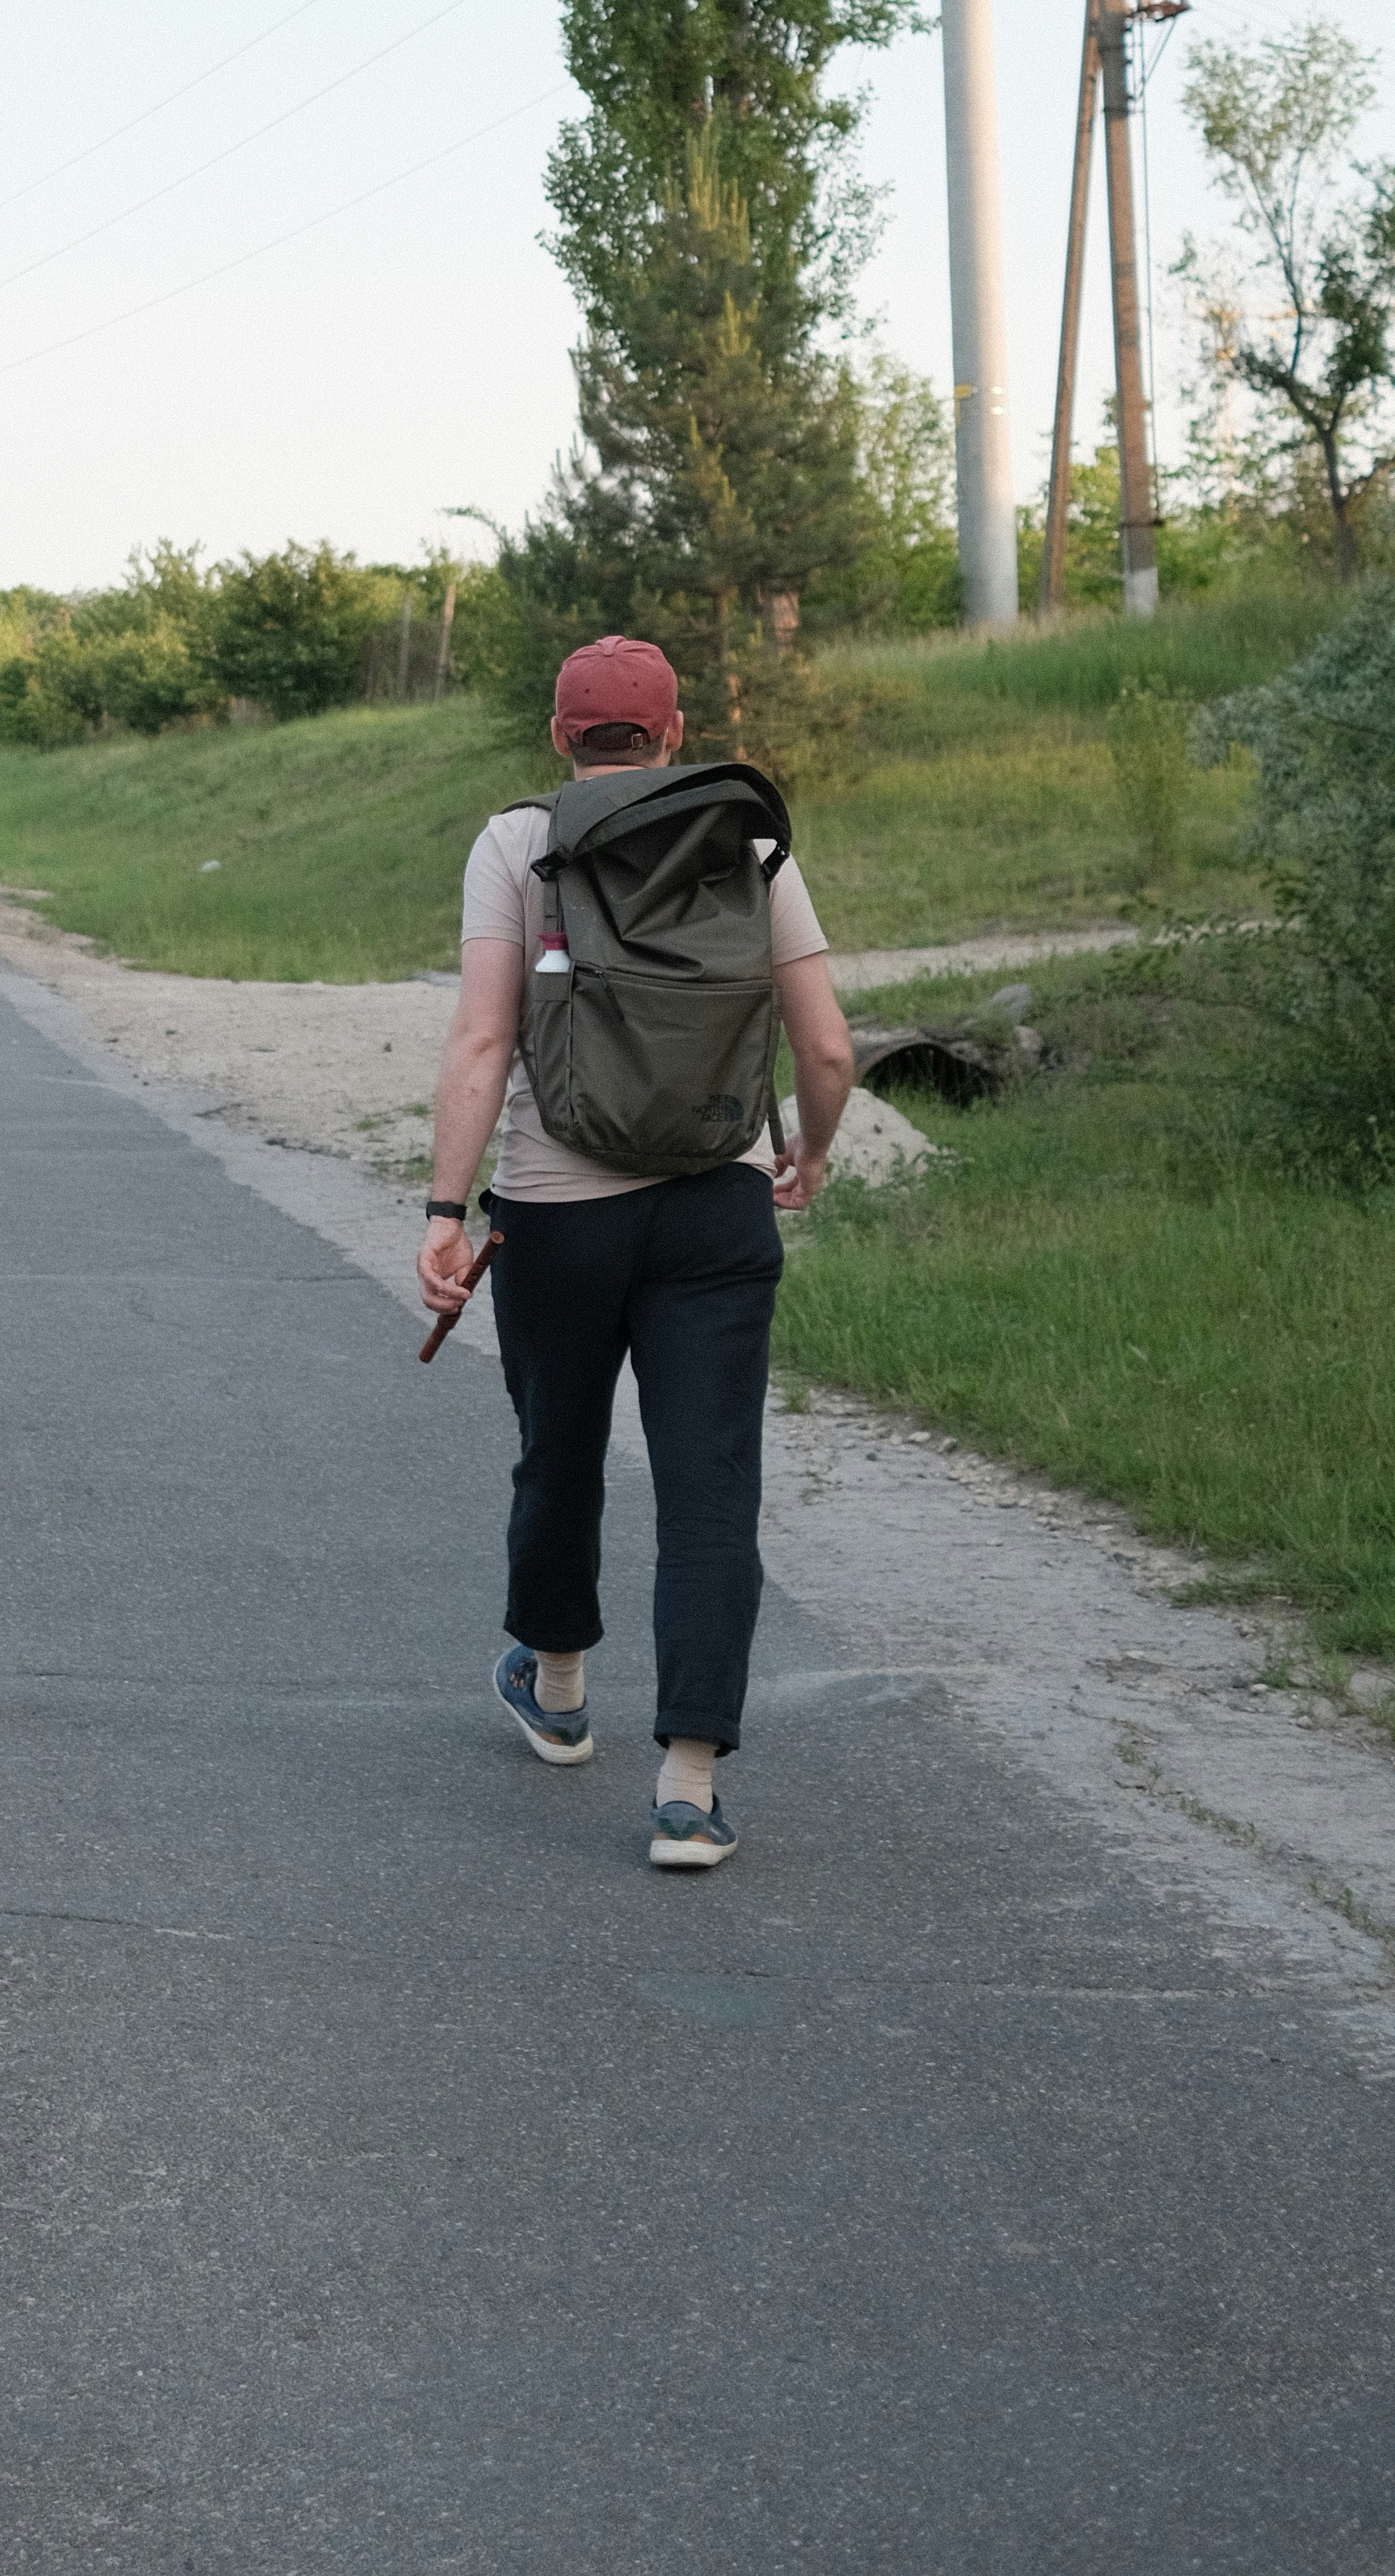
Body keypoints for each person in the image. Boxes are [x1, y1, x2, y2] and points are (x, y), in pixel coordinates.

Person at [415, 633, 857, 1873]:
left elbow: (480, 1042)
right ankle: (688, 1787)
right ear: (672, 736)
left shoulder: (519, 842)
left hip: (557, 1212)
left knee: (558, 1451)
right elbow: (826, 1050)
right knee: (711, 1483)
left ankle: (558, 1690)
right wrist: (809, 1156)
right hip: (716, 1208)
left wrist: (447, 1211)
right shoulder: (745, 845)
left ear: (563, 736)